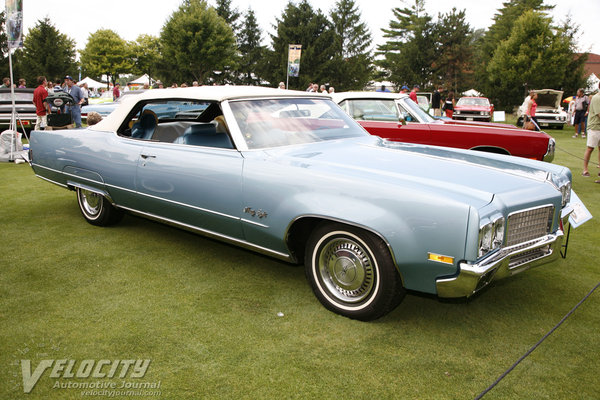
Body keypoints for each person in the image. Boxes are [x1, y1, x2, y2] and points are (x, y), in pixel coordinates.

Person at [582, 82, 600, 181]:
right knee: (590, 148)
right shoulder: (597, 98)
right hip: (594, 127)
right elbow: (599, 114)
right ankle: (585, 169)